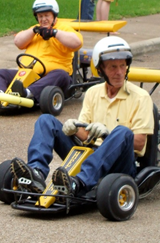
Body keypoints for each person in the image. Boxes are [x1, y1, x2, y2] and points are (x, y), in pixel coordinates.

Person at [10, 36, 154, 196]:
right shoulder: (93, 92)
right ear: (100, 70)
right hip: (91, 155)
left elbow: (140, 143)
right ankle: (36, 173)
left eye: (122, 66)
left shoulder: (141, 97)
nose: (119, 72)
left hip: (121, 162)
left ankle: (77, 182)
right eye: (113, 67)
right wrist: (73, 128)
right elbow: (85, 136)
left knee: (123, 131)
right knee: (46, 120)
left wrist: (107, 134)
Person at [0, 0, 83, 105]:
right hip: (27, 75)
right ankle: (1, 95)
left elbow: (77, 42)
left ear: (54, 15)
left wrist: (54, 33)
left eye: (46, 15)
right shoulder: (35, 29)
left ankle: (27, 93)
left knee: (61, 75)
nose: (43, 19)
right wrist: (34, 31)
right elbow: (18, 42)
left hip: (51, 78)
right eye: (40, 16)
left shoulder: (63, 29)